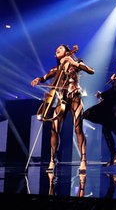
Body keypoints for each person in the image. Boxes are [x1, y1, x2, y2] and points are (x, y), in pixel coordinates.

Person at [31, 44, 95, 173]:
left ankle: (83, 160)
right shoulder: (56, 68)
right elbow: (46, 76)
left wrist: (73, 62)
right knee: (54, 130)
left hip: (75, 97)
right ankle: (52, 160)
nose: (57, 49)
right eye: (56, 50)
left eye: (60, 48)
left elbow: (91, 70)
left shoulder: (75, 62)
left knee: (78, 128)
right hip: (62, 99)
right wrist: (39, 79)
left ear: (67, 52)